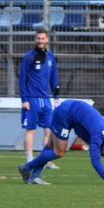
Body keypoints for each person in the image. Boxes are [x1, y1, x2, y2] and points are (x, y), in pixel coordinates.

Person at [17, 100, 104, 186]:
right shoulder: (98, 137)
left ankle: (34, 177)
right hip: (64, 114)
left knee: (50, 146)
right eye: (103, 153)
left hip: (72, 114)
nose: (102, 154)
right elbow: (95, 161)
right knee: (59, 152)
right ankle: (26, 167)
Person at [19, 29, 60, 167]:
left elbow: (54, 77)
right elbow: (22, 79)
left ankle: (45, 159)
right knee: (31, 130)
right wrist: (24, 99)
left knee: (49, 130)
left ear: (47, 39)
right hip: (31, 99)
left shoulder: (50, 57)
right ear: (35, 39)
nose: (40, 41)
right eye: (38, 38)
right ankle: (29, 159)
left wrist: (56, 95)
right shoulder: (29, 57)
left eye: (43, 39)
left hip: (46, 99)